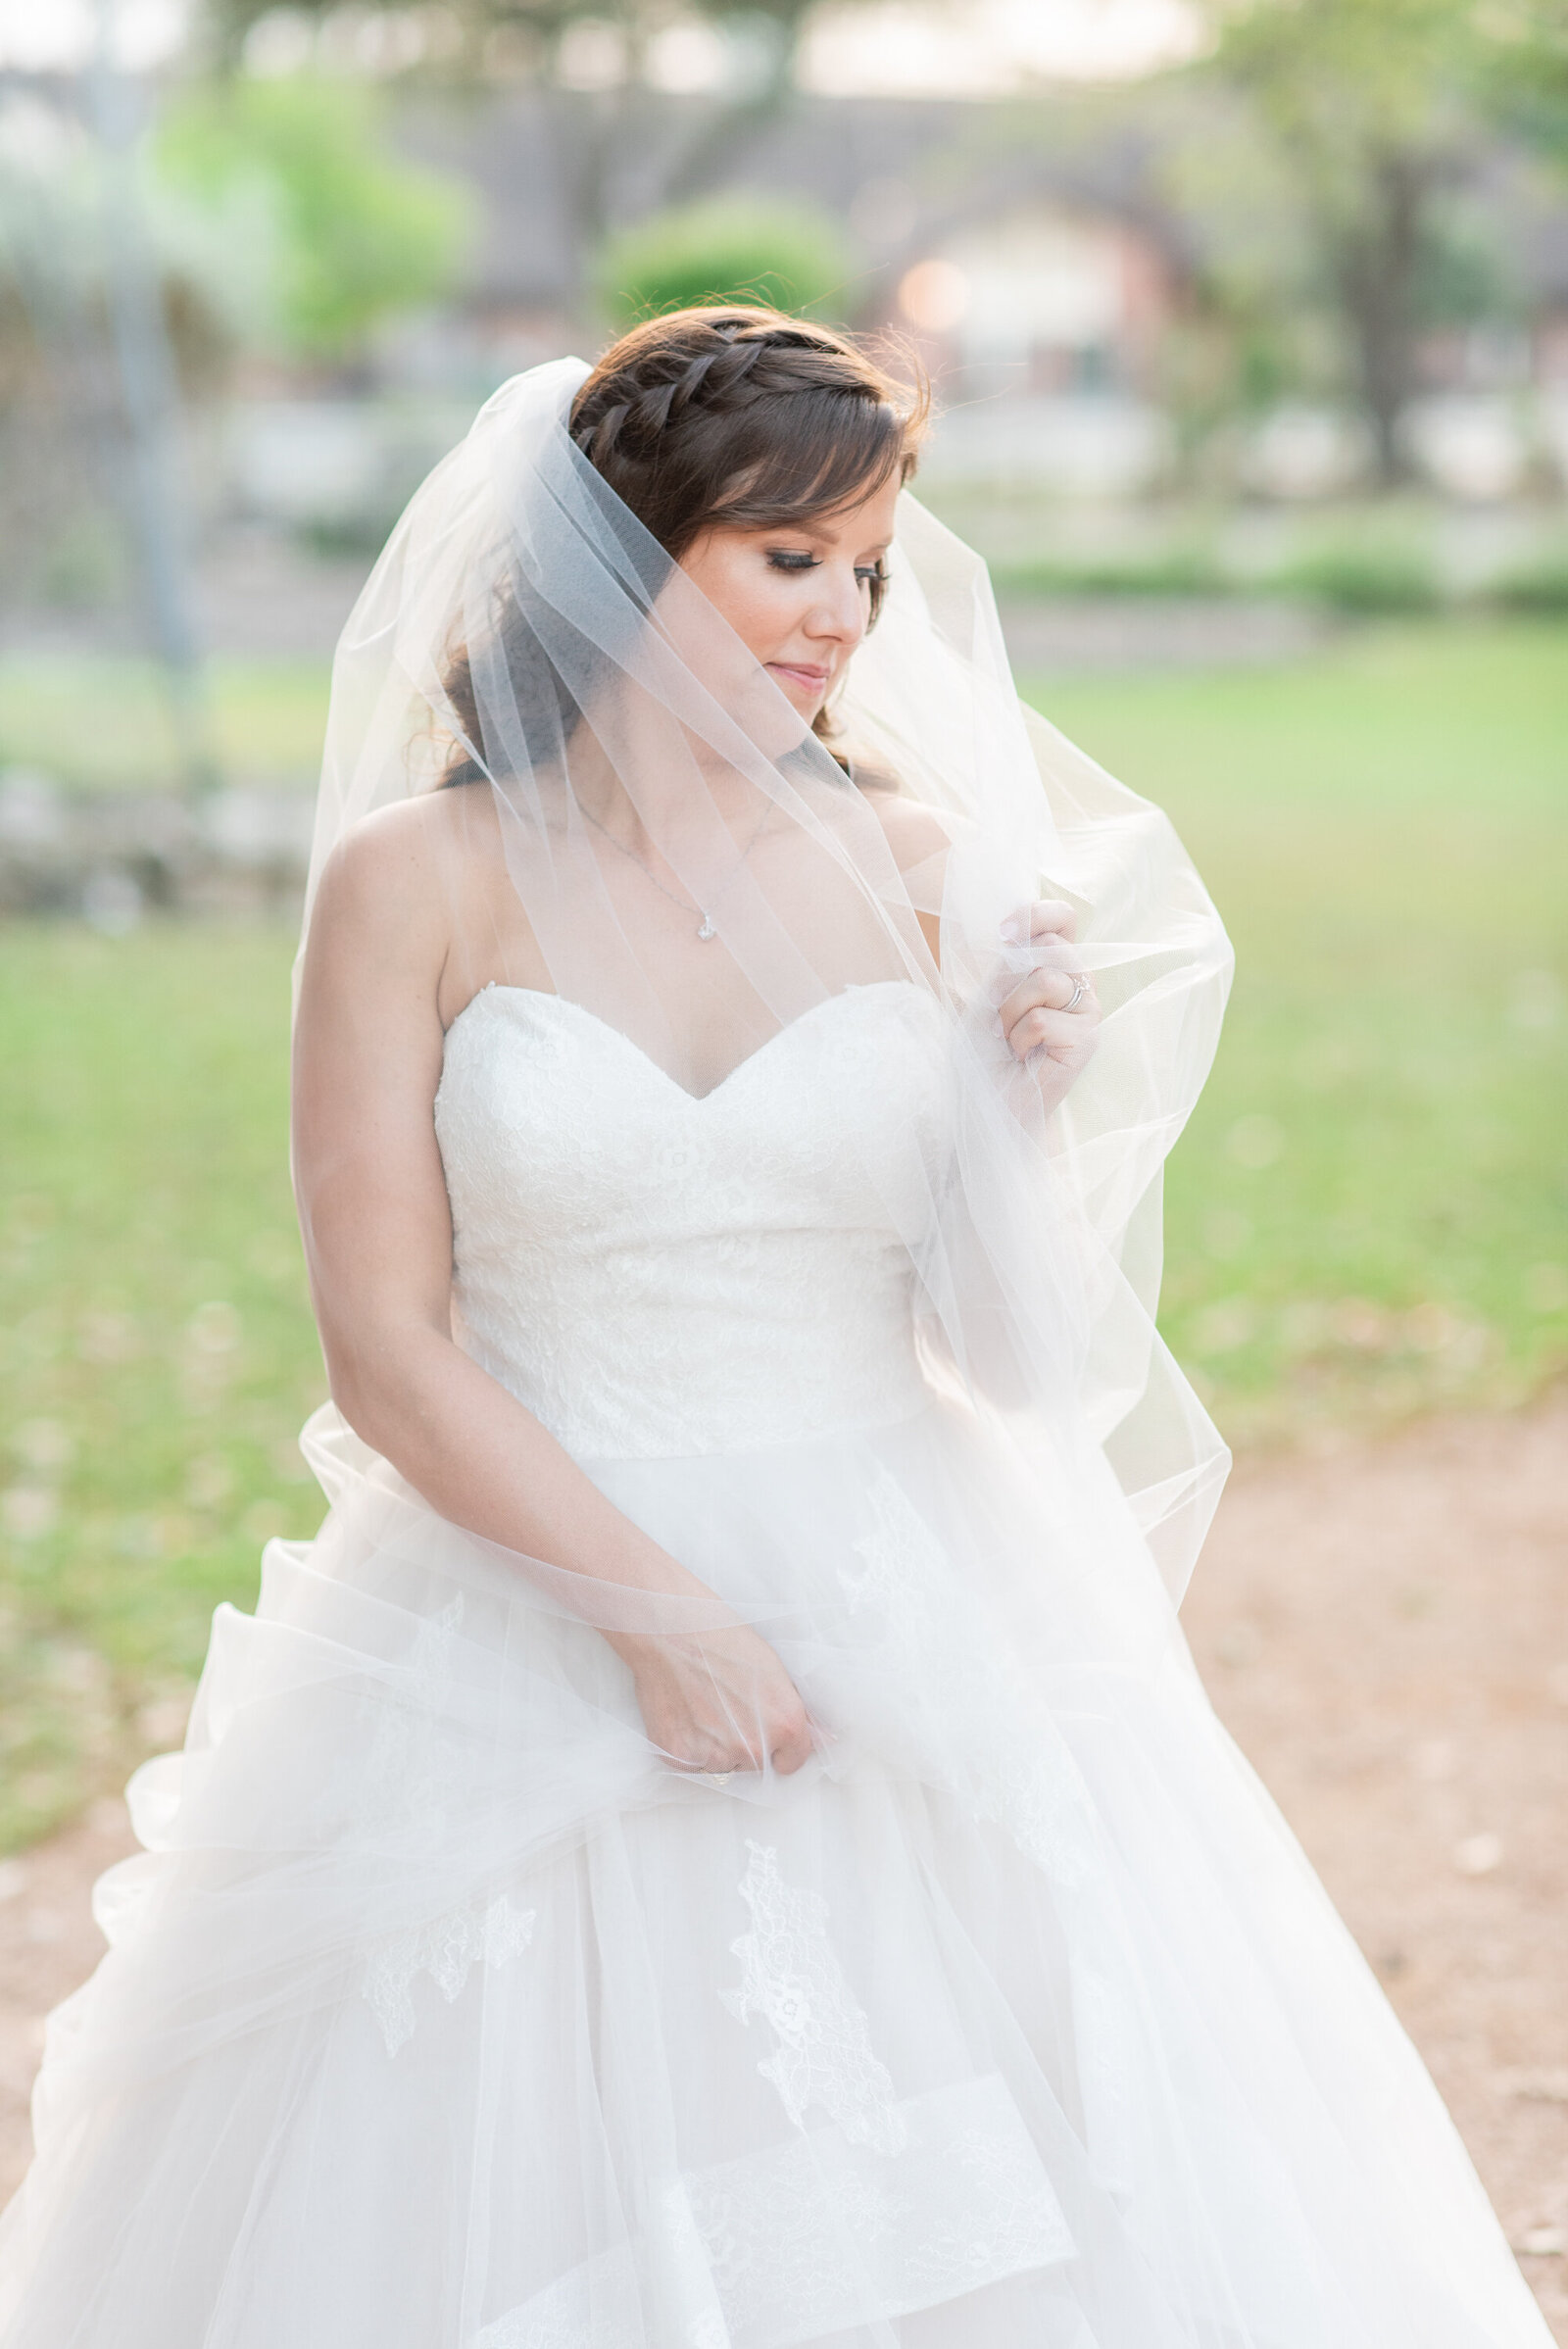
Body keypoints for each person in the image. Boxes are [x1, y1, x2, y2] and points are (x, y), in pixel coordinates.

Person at [0, 308, 1550, 2349]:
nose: (842, 616)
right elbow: (384, 1344)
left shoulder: (926, 870)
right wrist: (659, 1618)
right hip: (520, 1588)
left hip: (902, 1581)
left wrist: (1011, 1112)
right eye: (788, 554)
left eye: (869, 567)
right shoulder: (415, 884)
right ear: (623, 550)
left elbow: (1004, 1357)